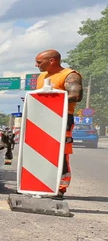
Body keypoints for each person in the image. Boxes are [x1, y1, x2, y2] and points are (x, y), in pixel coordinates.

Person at [34, 49, 83, 195]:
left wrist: (49, 101)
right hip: (41, 118)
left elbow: (75, 95)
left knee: (60, 152)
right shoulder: (42, 77)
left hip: (62, 117)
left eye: (39, 62)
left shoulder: (69, 75)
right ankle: (41, 183)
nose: (36, 65)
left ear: (52, 61)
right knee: (41, 151)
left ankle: (60, 188)